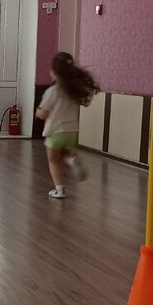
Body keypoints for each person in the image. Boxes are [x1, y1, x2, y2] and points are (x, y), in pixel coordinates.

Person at [36, 52, 100, 198]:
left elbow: (43, 113)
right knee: (64, 152)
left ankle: (59, 190)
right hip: (72, 131)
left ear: (55, 72)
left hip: (55, 131)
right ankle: (72, 160)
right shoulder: (73, 91)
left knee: (53, 161)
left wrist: (38, 112)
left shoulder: (53, 91)